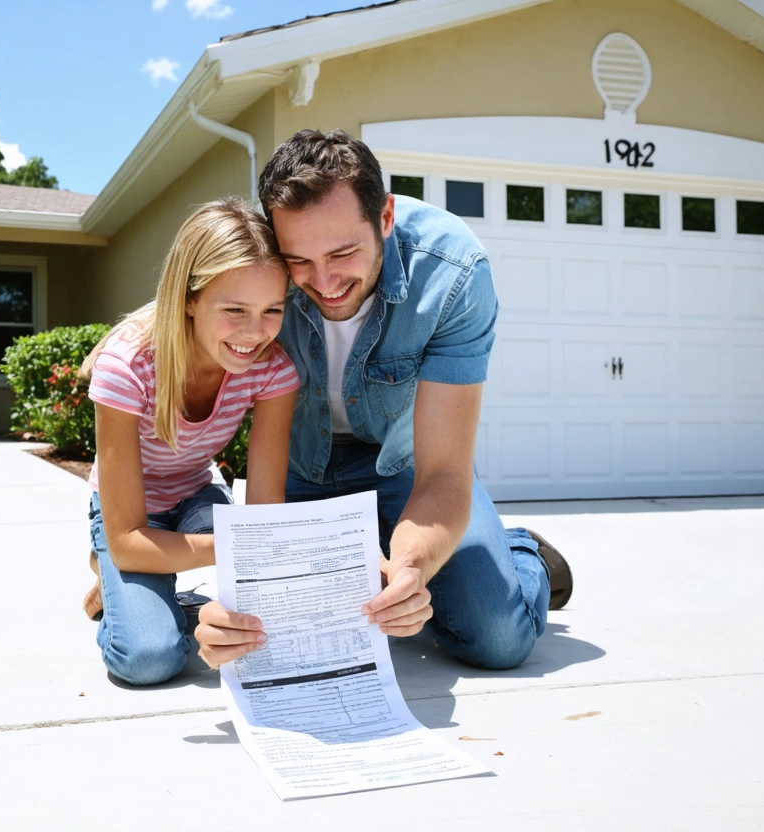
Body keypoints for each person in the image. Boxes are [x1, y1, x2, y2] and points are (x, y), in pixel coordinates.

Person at [195, 130, 573, 673]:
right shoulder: (259, 266)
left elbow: (444, 472)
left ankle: (520, 553)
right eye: (298, 260)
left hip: (407, 467)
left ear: (386, 216)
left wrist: (411, 569)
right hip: (300, 470)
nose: (322, 282)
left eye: (344, 252)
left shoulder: (454, 272)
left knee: (496, 637)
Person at [81, 198, 299, 686]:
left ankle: (136, 585)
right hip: (131, 516)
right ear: (189, 298)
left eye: (272, 310)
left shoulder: (273, 370)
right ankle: (116, 580)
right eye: (235, 309)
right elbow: (131, 539)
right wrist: (232, 547)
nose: (255, 333)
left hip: (199, 496)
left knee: (268, 628)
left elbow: (264, 514)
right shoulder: (127, 365)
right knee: (148, 658)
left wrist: (252, 554)